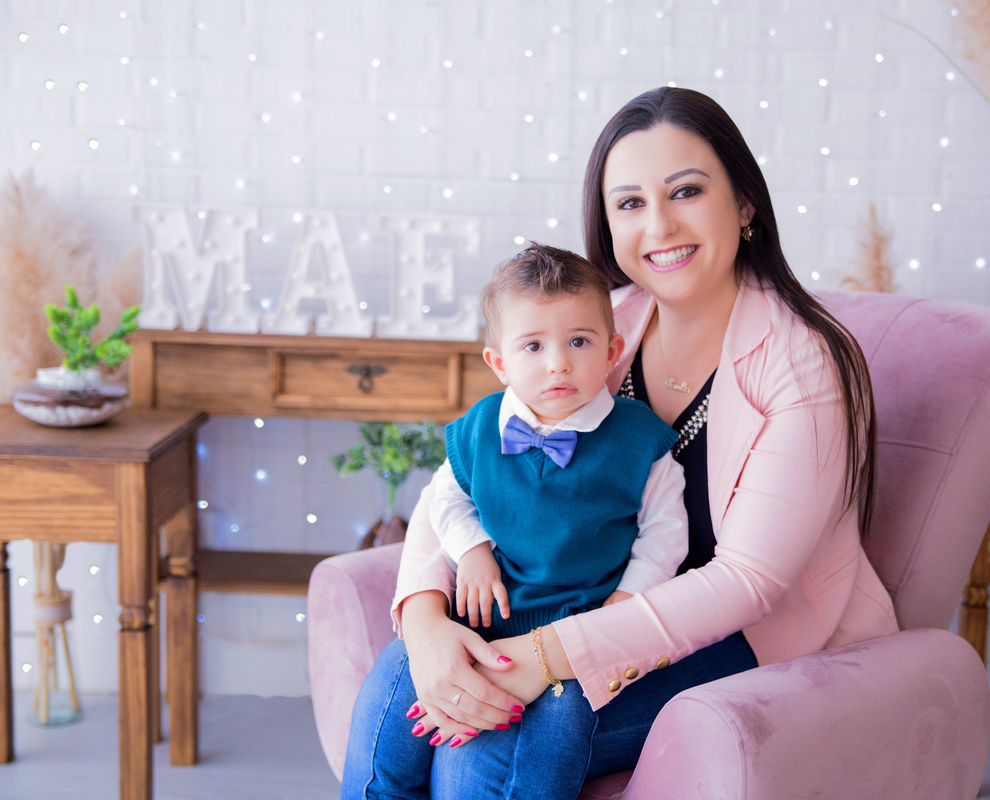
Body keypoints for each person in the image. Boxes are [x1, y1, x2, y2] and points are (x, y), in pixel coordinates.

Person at [341, 86, 899, 800]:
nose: (660, 225)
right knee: (397, 683)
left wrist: (548, 654)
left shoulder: (801, 361)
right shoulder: (598, 327)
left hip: (738, 636)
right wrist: (423, 619)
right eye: (630, 203)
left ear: (745, 204)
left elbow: (750, 582)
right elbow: (469, 471)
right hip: (570, 603)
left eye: (687, 191)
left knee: (475, 751)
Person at [340, 242, 689, 799]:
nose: (558, 363)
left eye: (579, 341)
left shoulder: (640, 441)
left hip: (575, 634)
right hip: (481, 619)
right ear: (499, 362)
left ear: (611, 348)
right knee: (391, 693)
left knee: (552, 737)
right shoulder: (479, 429)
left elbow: (664, 540)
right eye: (533, 345)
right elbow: (444, 502)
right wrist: (473, 550)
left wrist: (619, 617)